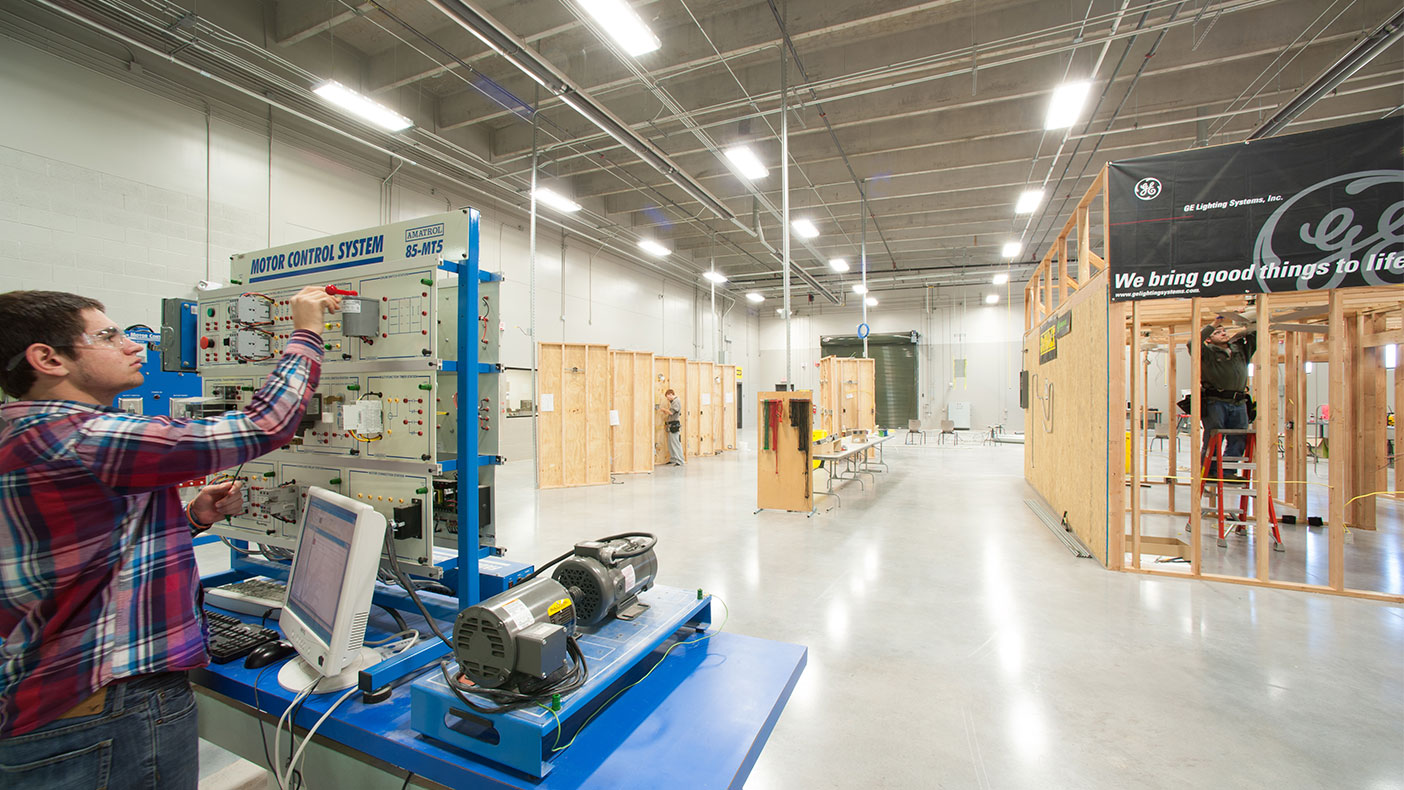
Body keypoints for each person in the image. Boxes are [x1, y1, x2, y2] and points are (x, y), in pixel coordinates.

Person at [0, 287, 338, 788]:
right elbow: (266, 425)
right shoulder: (85, 437)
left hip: (51, 700)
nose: (135, 345)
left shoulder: (22, 433)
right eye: (109, 335)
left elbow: (87, 555)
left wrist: (194, 520)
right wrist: (306, 330)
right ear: (47, 358)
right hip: (108, 710)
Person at [1193, 319, 1256, 479]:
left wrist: (1248, 321)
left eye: (1223, 331)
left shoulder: (1239, 351)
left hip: (1239, 402)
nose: (1223, 333)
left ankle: (1228, 472)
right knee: (1214, 437)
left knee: (1239, 436)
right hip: (1216, 401)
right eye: (1217, 332)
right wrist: (1213, 324)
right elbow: (1192, 343)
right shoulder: (1207, 353)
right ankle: (1210, 472)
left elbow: (1255, 335)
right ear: (1209, 338)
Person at [658, 388, 684, 466]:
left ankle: (680, 460)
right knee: (670, 443)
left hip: (674, 424)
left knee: (676, 443)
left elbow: (671, 413)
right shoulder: (673, 402)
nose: (667, 399)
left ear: (671, 394)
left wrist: (664, 410)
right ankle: (673, 459)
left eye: (668, 397)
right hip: (671, 425)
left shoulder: (676, 401)